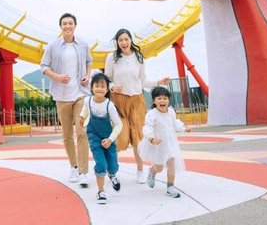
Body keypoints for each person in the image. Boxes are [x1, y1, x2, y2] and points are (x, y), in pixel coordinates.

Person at [104, 28, 170, 184]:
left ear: (131, 40)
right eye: (121, 40)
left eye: (126, 39)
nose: (124, 43)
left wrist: (158, 82)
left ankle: (140, 171)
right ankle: (112, 170)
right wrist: (112, 87)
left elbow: (143, 81)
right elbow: (106, 79)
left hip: (136, 100)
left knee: (138, 137)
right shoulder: (112, 58)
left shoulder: (138, 57)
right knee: (119, 136)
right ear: (117, 42)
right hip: (118, 101)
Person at [41, 12, 92, 187]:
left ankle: (83, 172)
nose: (67, 26)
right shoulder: (52, 46)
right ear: (61, 26)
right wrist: (57, 77)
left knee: (82, 131)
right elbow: (44, 66)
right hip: (61, 96)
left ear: (75, 26)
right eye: (64, 23)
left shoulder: (83, 45)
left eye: (70, 23)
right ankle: (73, 166)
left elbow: (89, 62)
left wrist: (87, 75)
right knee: (67, 135)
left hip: (80, 94)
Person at [138, 86, 192, 198]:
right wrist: (152, 138)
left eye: (165, 98)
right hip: (158, 145)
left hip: (170, 143)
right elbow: (148, 128)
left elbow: (175, 123)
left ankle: (170, 187)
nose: (162, 101)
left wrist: (183, 128)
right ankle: (152, 172)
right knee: (159, 167)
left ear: (168, 100)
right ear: (154, 101)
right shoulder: (152, 114)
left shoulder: (171, 112)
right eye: (159, 98)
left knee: (172, 163)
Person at [79, 73, 123, 204]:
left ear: (107, 89)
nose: (99, 88)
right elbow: (85, 110)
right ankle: (101, 191)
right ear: (91, 88)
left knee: (113, 165)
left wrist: (110, 139)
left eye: (103, 86)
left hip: (108, 138)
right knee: (101, 164)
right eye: (96, 86)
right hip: (94, 137)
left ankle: (113, 174)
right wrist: (81, 117)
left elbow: (119, 124)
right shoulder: (87, 101)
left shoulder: (109, 106)